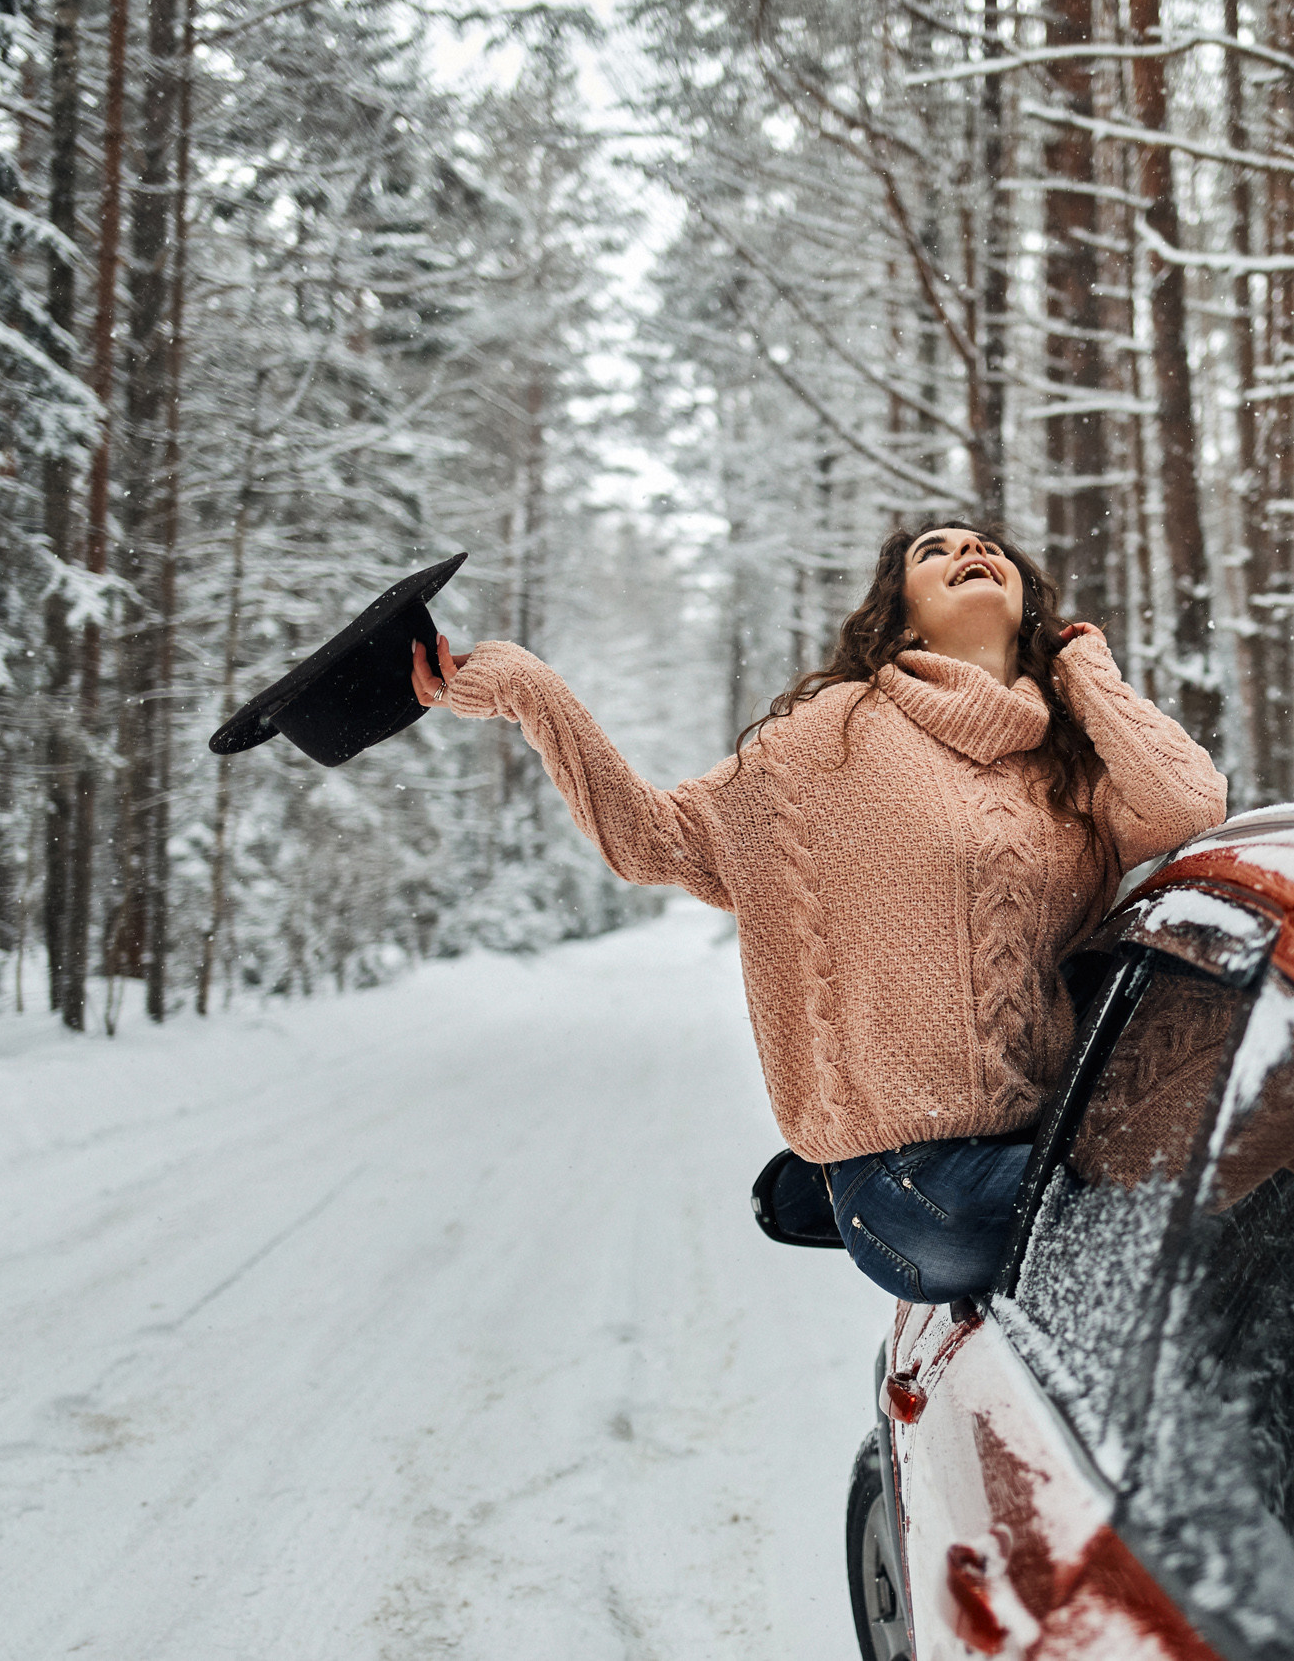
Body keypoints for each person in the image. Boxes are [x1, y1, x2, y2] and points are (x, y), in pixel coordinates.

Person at [409, 523, 1225, 1302]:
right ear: (900, 611)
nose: (969, 550)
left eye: (987, 547)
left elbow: (1189, 801)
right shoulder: (832, 738)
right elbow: (653, 839)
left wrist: (1081, 665)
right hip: (920, 1178)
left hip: (1041, 1138)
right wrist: (526, 687)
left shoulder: (1069, 773)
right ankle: (852, 1186)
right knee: (1175, 1208)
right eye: (933, 552)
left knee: (1227, 1177)